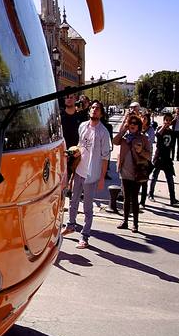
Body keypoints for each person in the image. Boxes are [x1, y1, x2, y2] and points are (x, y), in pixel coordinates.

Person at [65, 101, 111, 248]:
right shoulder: (82, 126)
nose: (94, 110)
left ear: (101, 113)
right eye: (92, 108)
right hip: (79, 171)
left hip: (92, 174)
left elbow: (105, 157)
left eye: (97, 108)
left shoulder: (103, 132)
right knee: (73, 201)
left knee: (87, 207)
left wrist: (102, 178)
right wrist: (73, 165)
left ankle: (85, 236)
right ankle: (71, 225)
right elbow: (80, 148)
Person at [112, 112, 151, 233]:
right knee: (126, 198)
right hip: (124, 172)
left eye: (135, 123)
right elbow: (115, 141)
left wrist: (140, 151)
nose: (132, 125)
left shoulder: (143, 139)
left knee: (134, 198)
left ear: (139, 126)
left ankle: (135, 224)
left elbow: (149, 156)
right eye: (130, 123)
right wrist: (123, 130)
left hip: (137, 173)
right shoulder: (124, 139)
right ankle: (125, 221)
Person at [148, 113, 179, 205]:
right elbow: (157, 135)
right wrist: (163, 126)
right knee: (154, 177)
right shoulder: (159, 129)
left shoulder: (171, 132)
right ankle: (150, 194)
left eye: (169, 120)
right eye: (166, 120)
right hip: (159, 157)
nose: (168, 122)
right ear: (164, 120)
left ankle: (172, 199)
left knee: (170, 179)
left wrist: (172, 157)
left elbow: (172, 145)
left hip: (167, 159)